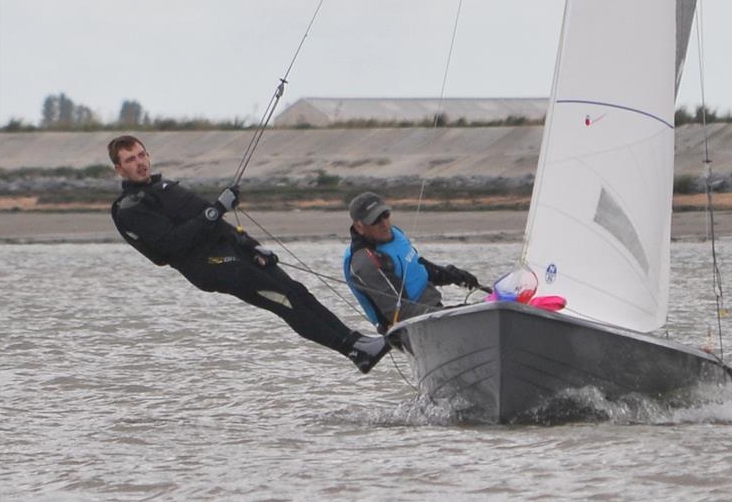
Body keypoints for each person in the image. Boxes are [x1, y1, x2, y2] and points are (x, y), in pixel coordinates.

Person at [107, 135, 389, 373]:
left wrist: (252, 246)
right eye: (130, 159)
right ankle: (353, 351)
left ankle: (357, 341)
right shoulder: (131, 207)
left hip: (231, 250)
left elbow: (218, 224)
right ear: (119, 169)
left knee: (295, 291)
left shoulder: (165, 187)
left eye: (142, 155)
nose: (140, 162)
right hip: (210, 266)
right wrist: (216, 208)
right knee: (284, 301)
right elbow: (171, 245)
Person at [343, 191, 481, 334]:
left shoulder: (395, 233)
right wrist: (454, 312)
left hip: (432, 309)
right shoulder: (365, 263)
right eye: (375, 220)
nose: (384, 224)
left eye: (385, 215)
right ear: (359, 227)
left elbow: (416, 267)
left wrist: (450, 274)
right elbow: (400, 312)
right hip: (409, 328)